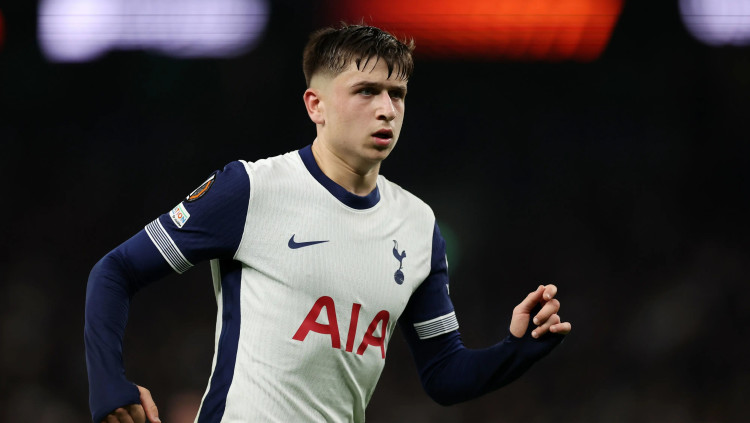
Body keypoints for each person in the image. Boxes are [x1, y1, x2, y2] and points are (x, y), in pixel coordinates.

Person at [85, 23, 572, 423]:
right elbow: (115, 271)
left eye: (397, 94)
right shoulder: (252, 189)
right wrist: (107, 381)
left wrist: (516, 350)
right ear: (315, 105)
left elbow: (444, 374)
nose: (386, 109)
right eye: (366, 91)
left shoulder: (419, 225)